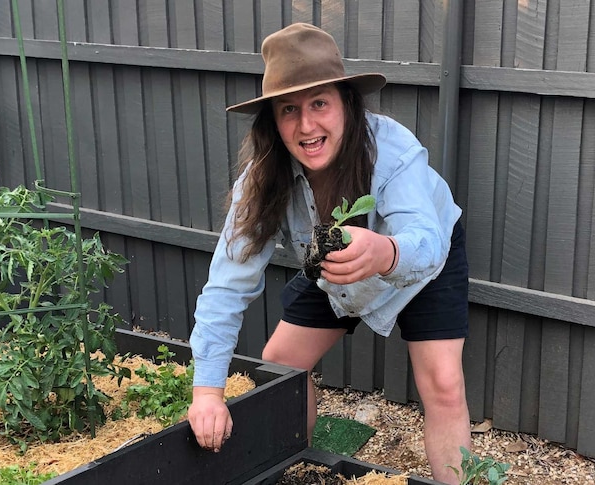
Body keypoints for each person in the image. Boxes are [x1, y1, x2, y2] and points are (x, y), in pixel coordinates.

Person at [186, 22, 471, 484]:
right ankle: (293, 471)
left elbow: (425, 238)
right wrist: (207, 389)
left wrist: (383, 252)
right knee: (281, 371)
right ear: (272, 123)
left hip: (418, 263)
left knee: (442, 384)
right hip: (335, 267)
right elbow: (226, 285)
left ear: (346, 104)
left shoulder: (392, 151)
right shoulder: (261, 181)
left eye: (320, 103)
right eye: (289, 110)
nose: (307, 125)